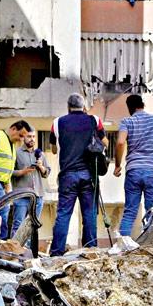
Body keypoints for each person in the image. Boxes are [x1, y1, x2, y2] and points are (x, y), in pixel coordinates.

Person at [50, 94, 106, 255]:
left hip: (67, 175)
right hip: (88, 175)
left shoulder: (57, 122)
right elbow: (105, 142)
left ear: (68, 106)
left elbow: (54, 149)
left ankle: (56, 252)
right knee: (89, 213)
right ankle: (90, 250)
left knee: (64, 214)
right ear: (83, 106)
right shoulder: (94, 120)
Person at [114, 93, 153, 237]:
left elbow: (120, 142)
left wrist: (117, 165)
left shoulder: (127, 121)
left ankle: (123, 245)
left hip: (133, 170)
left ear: (130, 108)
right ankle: (151, 244)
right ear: (143, 105)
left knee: (130, 211)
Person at [9, 131, 49, 240]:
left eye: (34, 137)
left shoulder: (40, 154)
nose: (32, 139)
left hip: (38, 196)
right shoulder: (16, 153)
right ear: (23, 137)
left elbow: (47, 173)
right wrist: (23, 171)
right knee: (18, 224)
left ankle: (29, 252)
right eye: (29, 136)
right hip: (22, 196)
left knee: (32, 226)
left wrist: (41, 167)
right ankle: (15, 251)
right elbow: (9, 172)